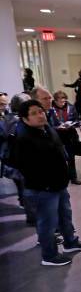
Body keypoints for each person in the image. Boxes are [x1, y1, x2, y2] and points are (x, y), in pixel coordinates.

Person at [12, 100, 81, 266]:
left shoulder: (46, 129)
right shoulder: (24, 138)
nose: (40, 115)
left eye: (40, 111)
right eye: (34, 113)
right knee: (47, 223)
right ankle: (49, 256)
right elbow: (26, 167)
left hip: (59, 184)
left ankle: (70, 242)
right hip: (44, 189)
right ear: (25, 119)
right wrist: (46, 184)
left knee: (65, 216)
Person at [0, 93, 31, 221]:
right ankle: (32, 215)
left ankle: (28, 209)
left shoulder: (7, 119)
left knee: (23, 187)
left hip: (12, 161)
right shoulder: (18, 122)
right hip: (21, 161)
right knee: (27, 189)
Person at [48, 90, 81, 185]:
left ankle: (73, 177)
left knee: (71, 157)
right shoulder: (50, 110)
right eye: (61, 101)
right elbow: (48, 125)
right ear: (55, 101)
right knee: (59, 157)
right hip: (57, 136)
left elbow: (76, 120)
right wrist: (57, 127)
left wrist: (73, 124)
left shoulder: (71, 107)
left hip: (69, 136)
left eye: (64, 101)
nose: (63, 103)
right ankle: (61, 177)